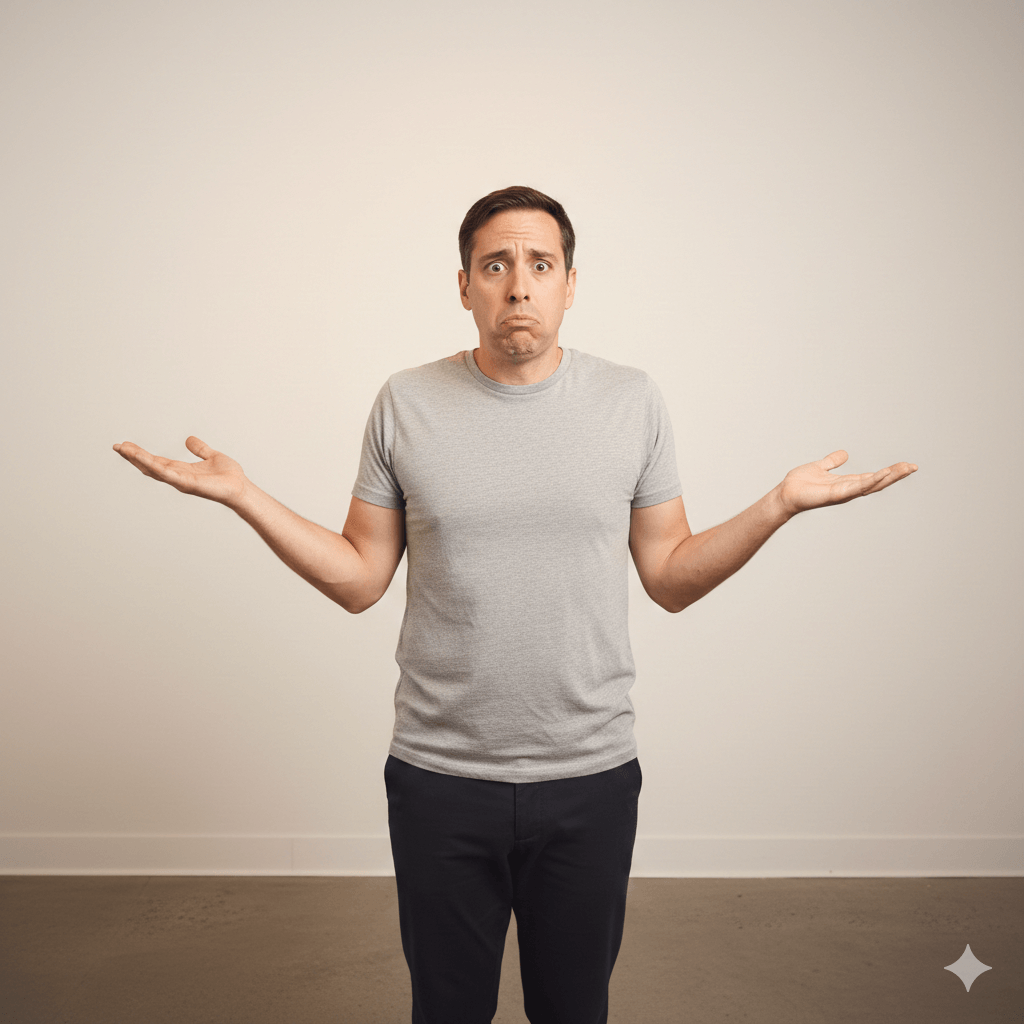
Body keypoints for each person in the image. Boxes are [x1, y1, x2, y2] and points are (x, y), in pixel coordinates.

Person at [112, 185, 918, 1024]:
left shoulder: (631, 401)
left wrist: (777, 505)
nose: (519, 286)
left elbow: (671, 576)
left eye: (541, 264)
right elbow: (359, 578)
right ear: (464, 285)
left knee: (574, 1011)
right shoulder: (405, 403)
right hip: (439, 777)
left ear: (572, 283)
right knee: (447, 1011)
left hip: (591, 776)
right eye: (496, 265)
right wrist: (247, 497)